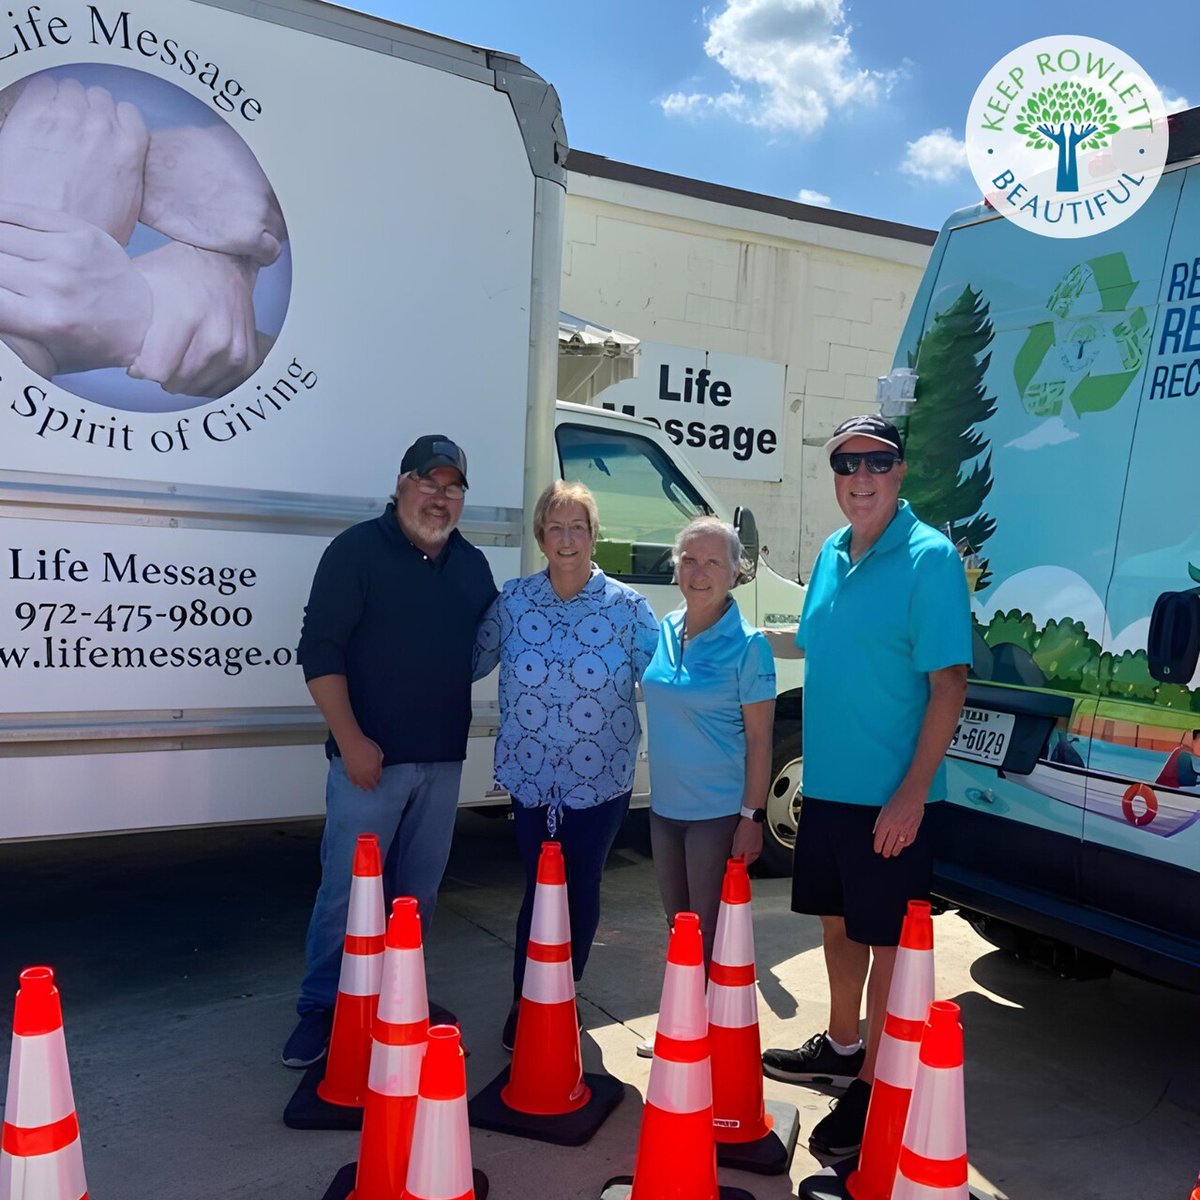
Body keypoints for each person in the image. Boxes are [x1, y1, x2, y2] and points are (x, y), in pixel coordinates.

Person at [761, 414, 971, 1158]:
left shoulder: (929, 559)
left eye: (875, 464)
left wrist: (911, 795)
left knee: (886, 941)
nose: (860, 479)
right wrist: (731, 633)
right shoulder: (830, 552)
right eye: (845, 466)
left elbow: (949, 686)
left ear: (900, 472)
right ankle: (843, 1045)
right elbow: (811, 641)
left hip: (893, 799)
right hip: (830, 790)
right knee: (836, 925)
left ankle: (876, 1085)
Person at [284, 434, 497, 1068]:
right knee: (347, 893)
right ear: (401, 485)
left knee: (416, 895)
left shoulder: (472, 566)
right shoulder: (354, 552)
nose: (439, 498)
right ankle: (322, 1009)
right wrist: (352, 742)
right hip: (367, 765)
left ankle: (398, 999)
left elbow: (491, 643)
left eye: (452, 488)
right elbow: (318, 651)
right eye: (428, 484)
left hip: (440, 760)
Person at [474, 481, 658, 1050]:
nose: (567, 538)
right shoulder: (513, 601)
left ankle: (564, 991)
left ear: (594, 535)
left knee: (580, 885)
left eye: (578, 526)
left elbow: (672, 675)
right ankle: (524, 1000)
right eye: (556, 527)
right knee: (539, 886)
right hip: (531, 780)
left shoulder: (627, 609)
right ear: (540, 536)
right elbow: (465, 660)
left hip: (599, 783)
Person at [642, 515, 776, 971]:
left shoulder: (748, 646)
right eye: (690, 560)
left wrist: (751, 818)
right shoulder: (665, 629)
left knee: (709, 930)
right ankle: (685, 1031)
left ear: (736, 570)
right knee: (678, 926)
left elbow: (760, 742)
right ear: (676, 567)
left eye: (713, 563)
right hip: (664, 810)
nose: (699, 573)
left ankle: (708, 1037)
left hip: (715, 816)